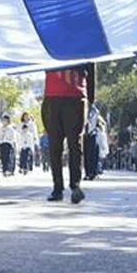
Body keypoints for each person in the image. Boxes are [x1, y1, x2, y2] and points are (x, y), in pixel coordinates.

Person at [41, 63, 94, 203]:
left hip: (75, 96)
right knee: (55, 145)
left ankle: (75, 185)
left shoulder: (88, 49)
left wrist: (90, 100)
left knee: (74, 144)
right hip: (53, 97)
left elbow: (91, 71)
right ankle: (58, 188)